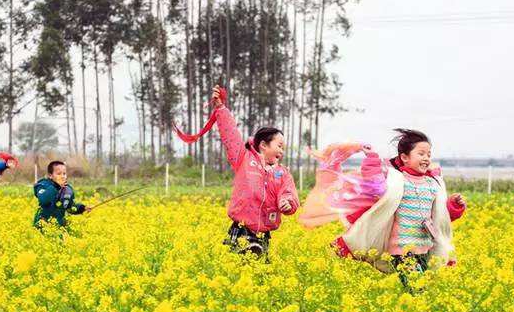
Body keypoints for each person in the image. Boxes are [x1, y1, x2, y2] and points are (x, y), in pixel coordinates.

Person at [299, 129, 466, 292]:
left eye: (429, 154)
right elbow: (374, 186)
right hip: (402, 249)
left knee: (423, 287)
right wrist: (372, 158)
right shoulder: (396, 180)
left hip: (425, 247)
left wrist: (454, 205)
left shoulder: (432, 183)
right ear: (404, 158)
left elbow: (441, 216)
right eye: (421, 154)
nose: (426, 158)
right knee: (417, 288)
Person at [173, 85, 299, 257]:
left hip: (263, 233)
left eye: (283, 148)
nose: (282, 151)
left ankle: (253, 252)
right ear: (263, 145)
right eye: (279, 146)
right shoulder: (243, 159)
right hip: (242, 229)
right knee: (243, 266)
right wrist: (220, 109)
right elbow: (231, 135)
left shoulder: (282, 173)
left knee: (256, 273)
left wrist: (287, 203)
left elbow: (289, 193)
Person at [33, 160, 91, 228]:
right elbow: (43, 199)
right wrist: (57, 186)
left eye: (64, 173)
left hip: (59, 227)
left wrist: (82, 208)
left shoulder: (68, 189)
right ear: (50, 175)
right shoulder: (43, 185)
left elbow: (70, 207)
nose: (62, 176)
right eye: (59, 174)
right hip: (42, 226)